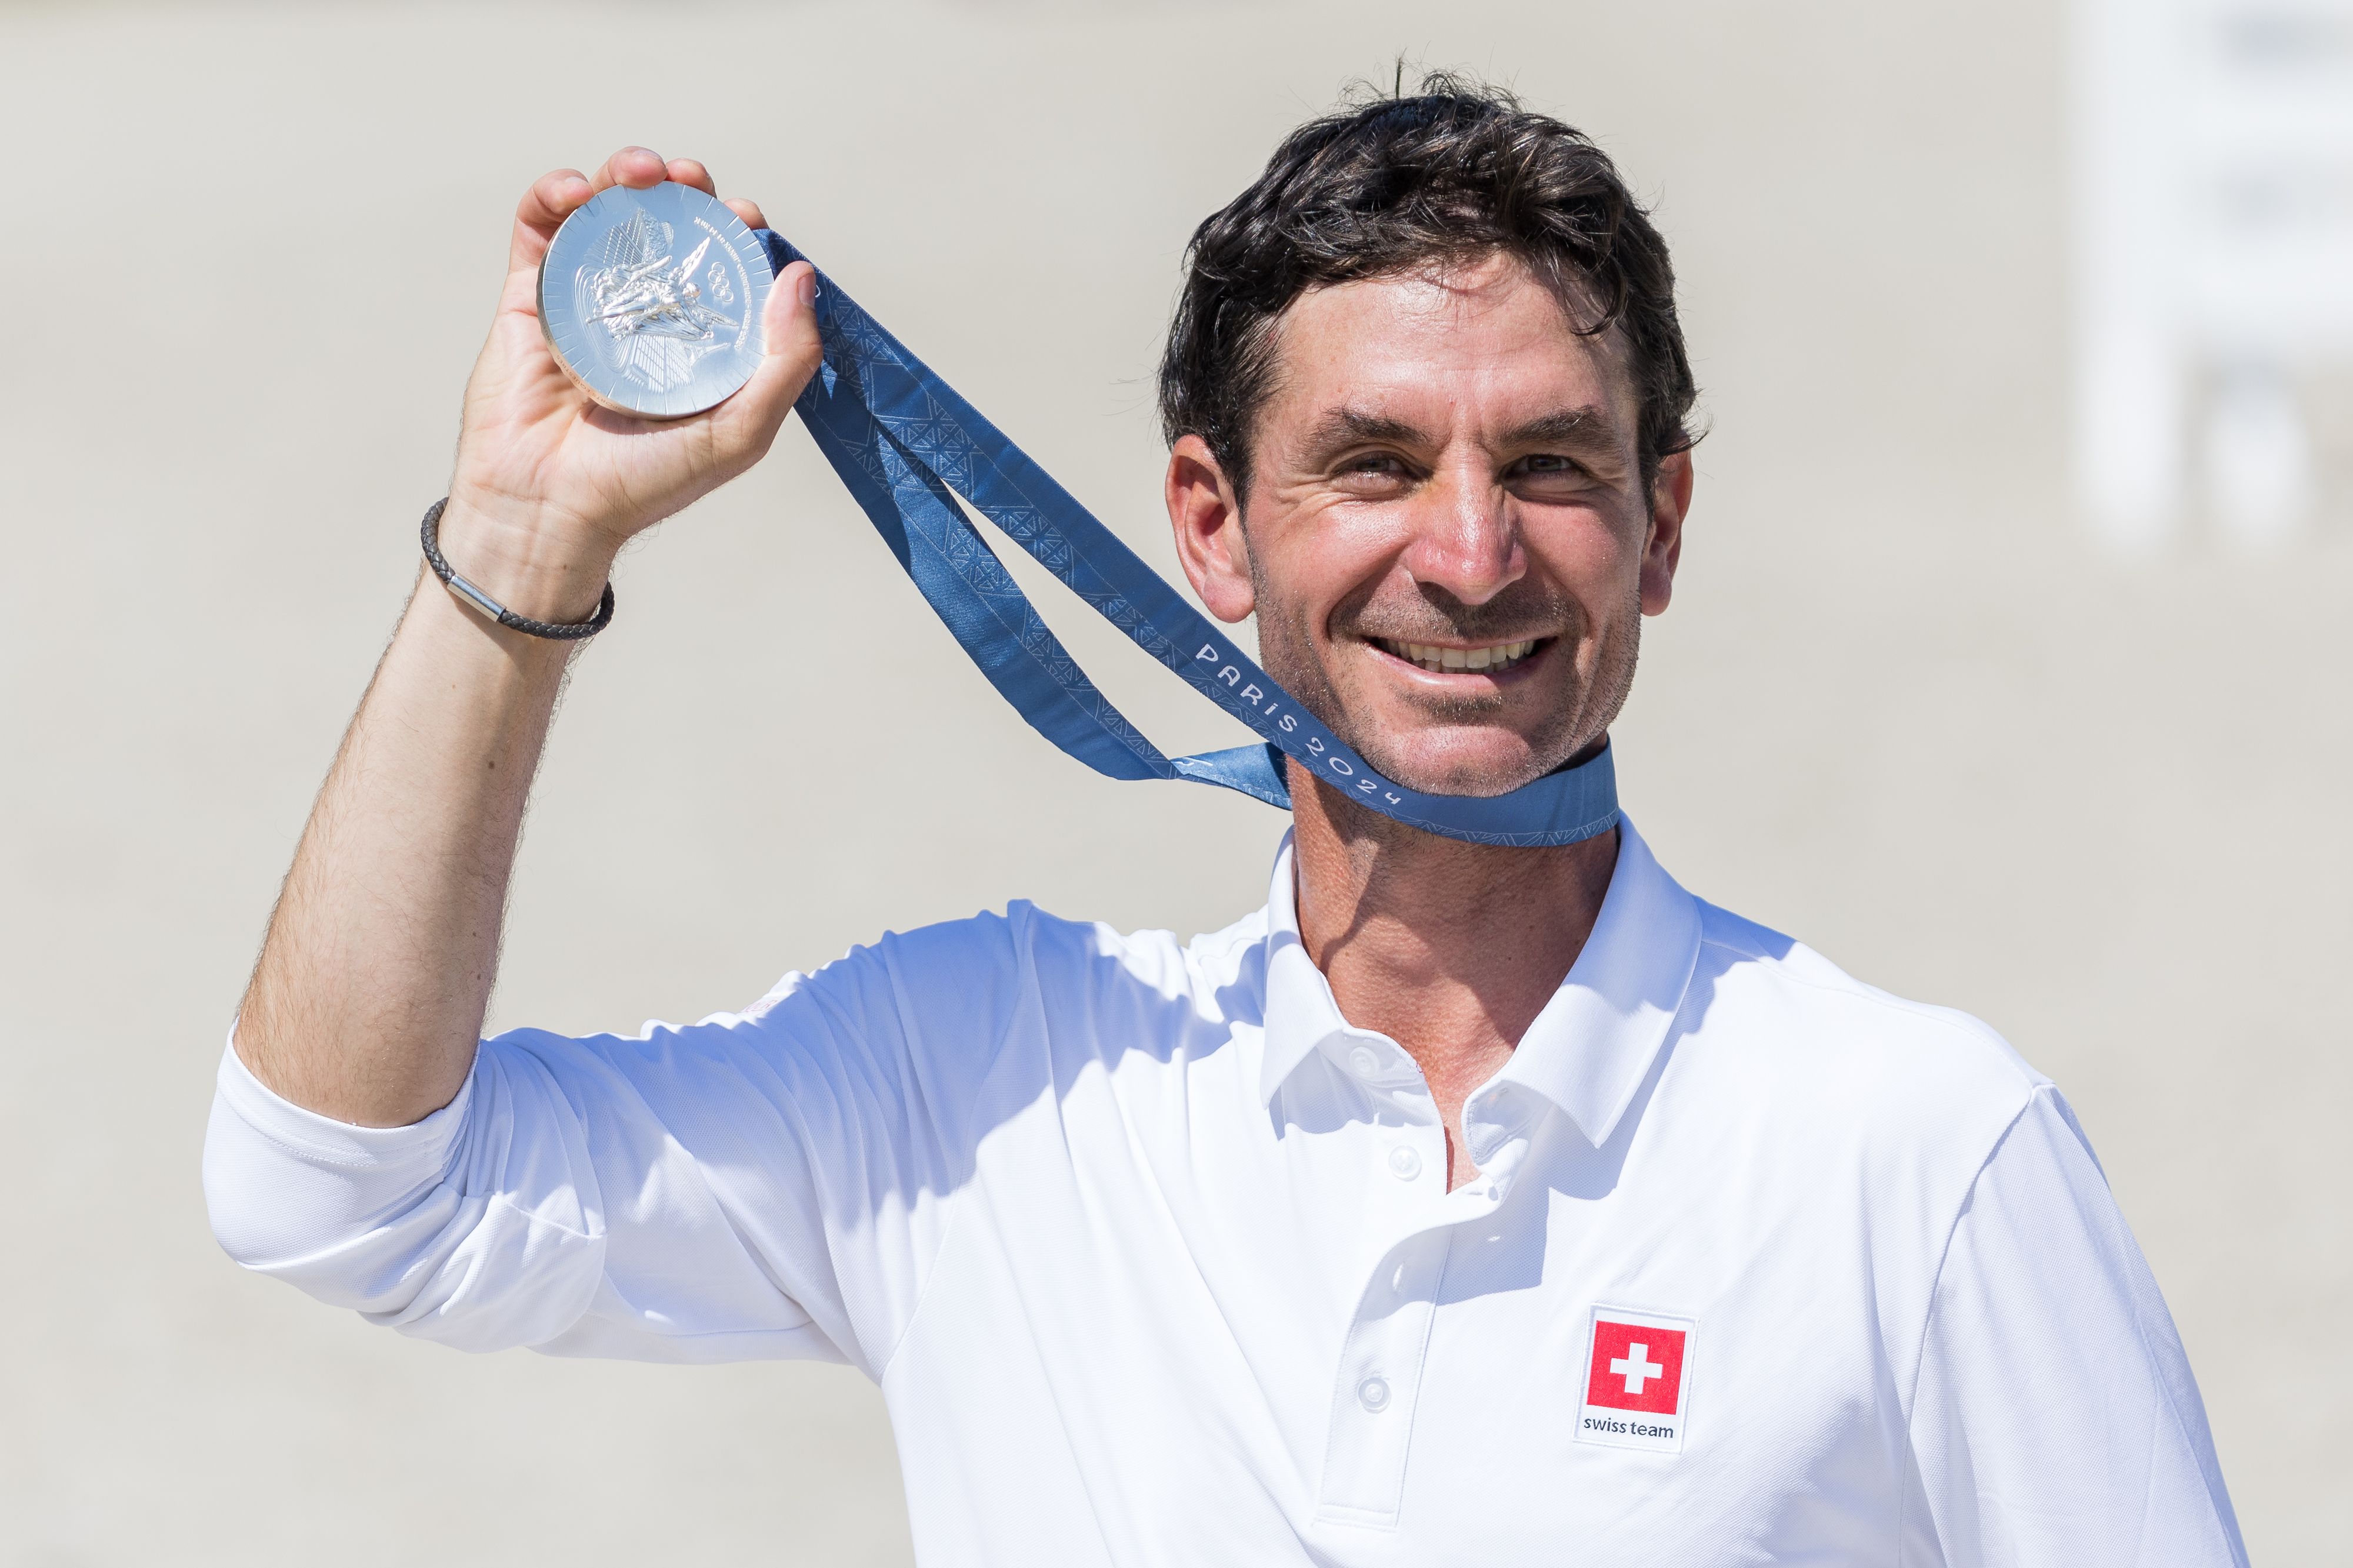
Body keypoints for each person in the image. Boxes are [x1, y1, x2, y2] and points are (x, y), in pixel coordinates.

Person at [204, 83, 2247, 1566]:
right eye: (1371, 463)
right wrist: (518, 544)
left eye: (1548, 462)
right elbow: (341, 1188)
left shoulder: (1913, 1148)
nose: (1468, 552)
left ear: (1661, 527)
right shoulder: (990, 1085)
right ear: (1210, 526)